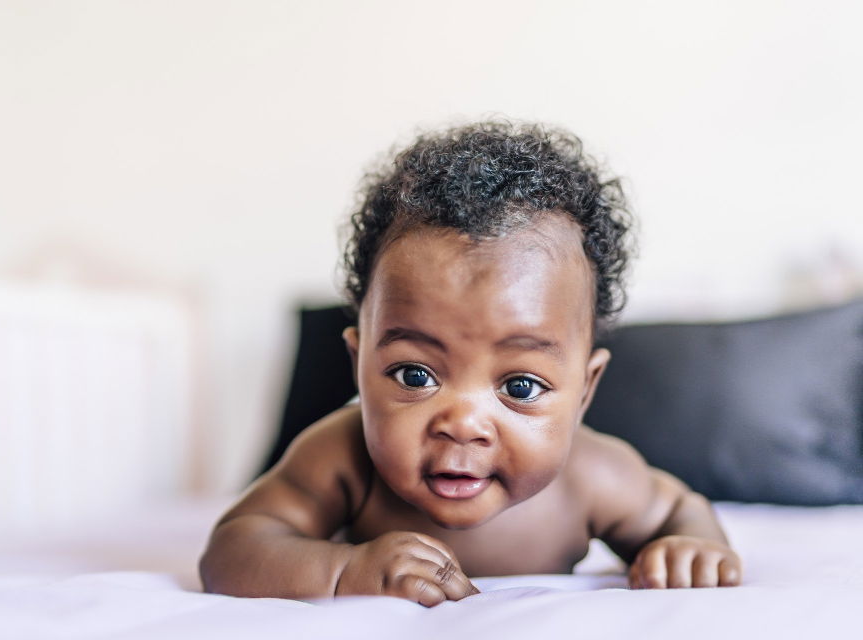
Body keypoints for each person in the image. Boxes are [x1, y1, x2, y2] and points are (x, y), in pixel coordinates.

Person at [199, 121, 741, 606]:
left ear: (584, 390)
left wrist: (690, 547)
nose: (462, 422)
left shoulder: (592, 476)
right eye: (415, 375)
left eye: (522, 386)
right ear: (358, 362)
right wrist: (344, 570)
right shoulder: (341, 458)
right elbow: (236, 547)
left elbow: (678, 512)